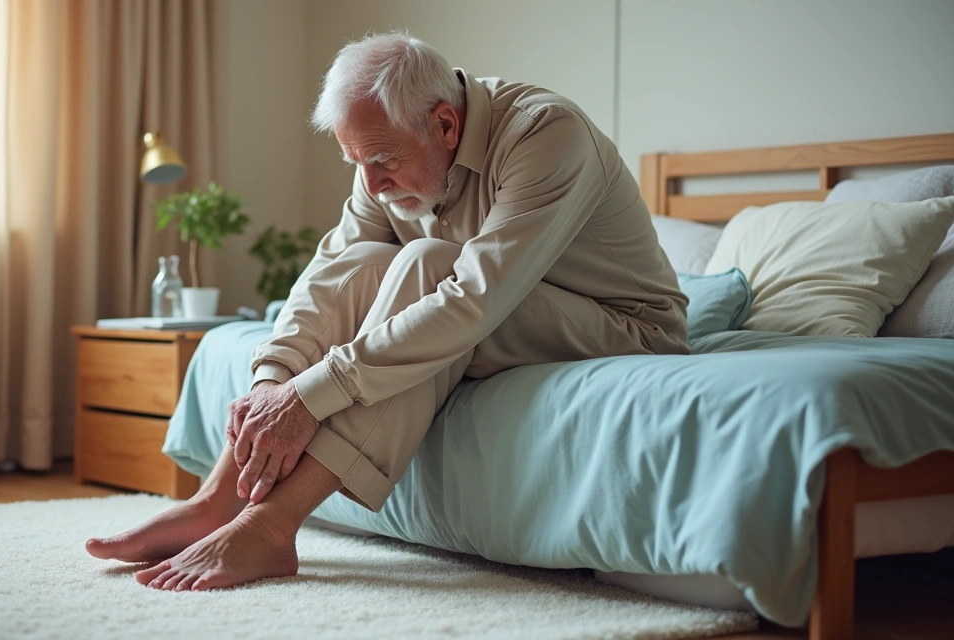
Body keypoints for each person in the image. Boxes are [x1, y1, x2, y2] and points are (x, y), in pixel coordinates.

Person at [86, 31, 688, 592]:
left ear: (446, 124)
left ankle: (271, 526)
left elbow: (473, 299)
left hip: (625, 328)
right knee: (365, 261)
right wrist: (272, 385)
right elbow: (332, 271)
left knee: (427, 264)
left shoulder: (545, 133)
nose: (372, 184)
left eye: (381, 160)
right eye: (356, 162)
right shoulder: (383, 154)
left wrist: (309, 396)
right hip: (508, 313)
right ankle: (217, 501)